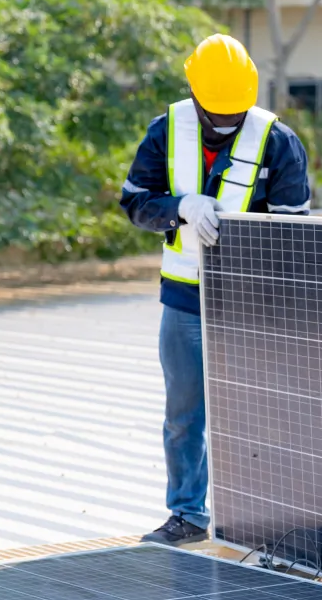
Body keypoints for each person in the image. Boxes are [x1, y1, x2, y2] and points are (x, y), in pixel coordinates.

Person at [121, 33, 311, 545]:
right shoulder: (166, 131)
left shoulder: (278, 141)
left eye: (235, 114)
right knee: (184, 417)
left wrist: (246, 234)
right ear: (196, 96)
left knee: (262, 415)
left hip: (254, 307)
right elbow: (135, 200)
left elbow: (296, 230)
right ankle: (187, 515)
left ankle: (271, 522)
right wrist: (180, 207)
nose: (226, 123)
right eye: (216, 115)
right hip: (184, 300)